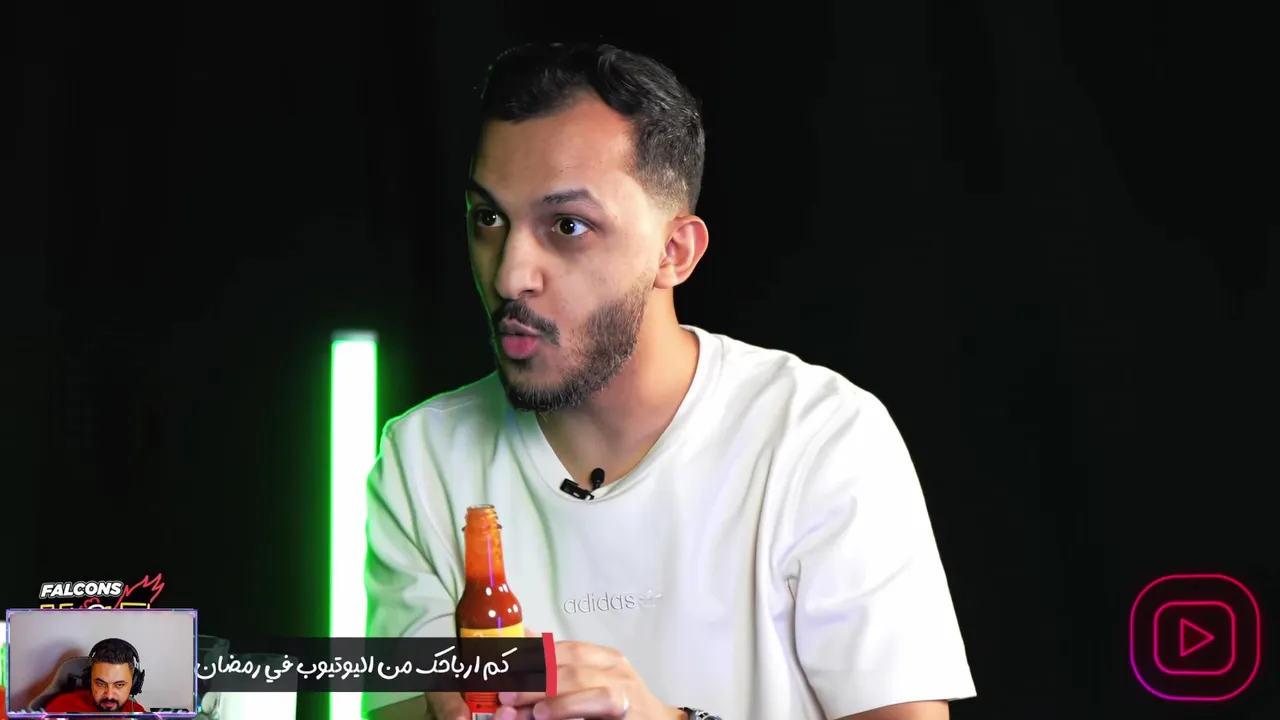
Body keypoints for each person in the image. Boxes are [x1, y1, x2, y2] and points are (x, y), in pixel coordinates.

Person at [364, 42, 975, 720]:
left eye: (568, 226)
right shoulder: (421, 458)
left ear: (674, 252)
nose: (510, 275)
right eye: (488, 218)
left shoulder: (819, 438)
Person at [44, 638, 148, 713]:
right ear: (88, 680)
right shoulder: (62, 707)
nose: (109, 695)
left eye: (119, 685)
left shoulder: (137, 713)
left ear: (134, 684)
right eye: (100, 683)